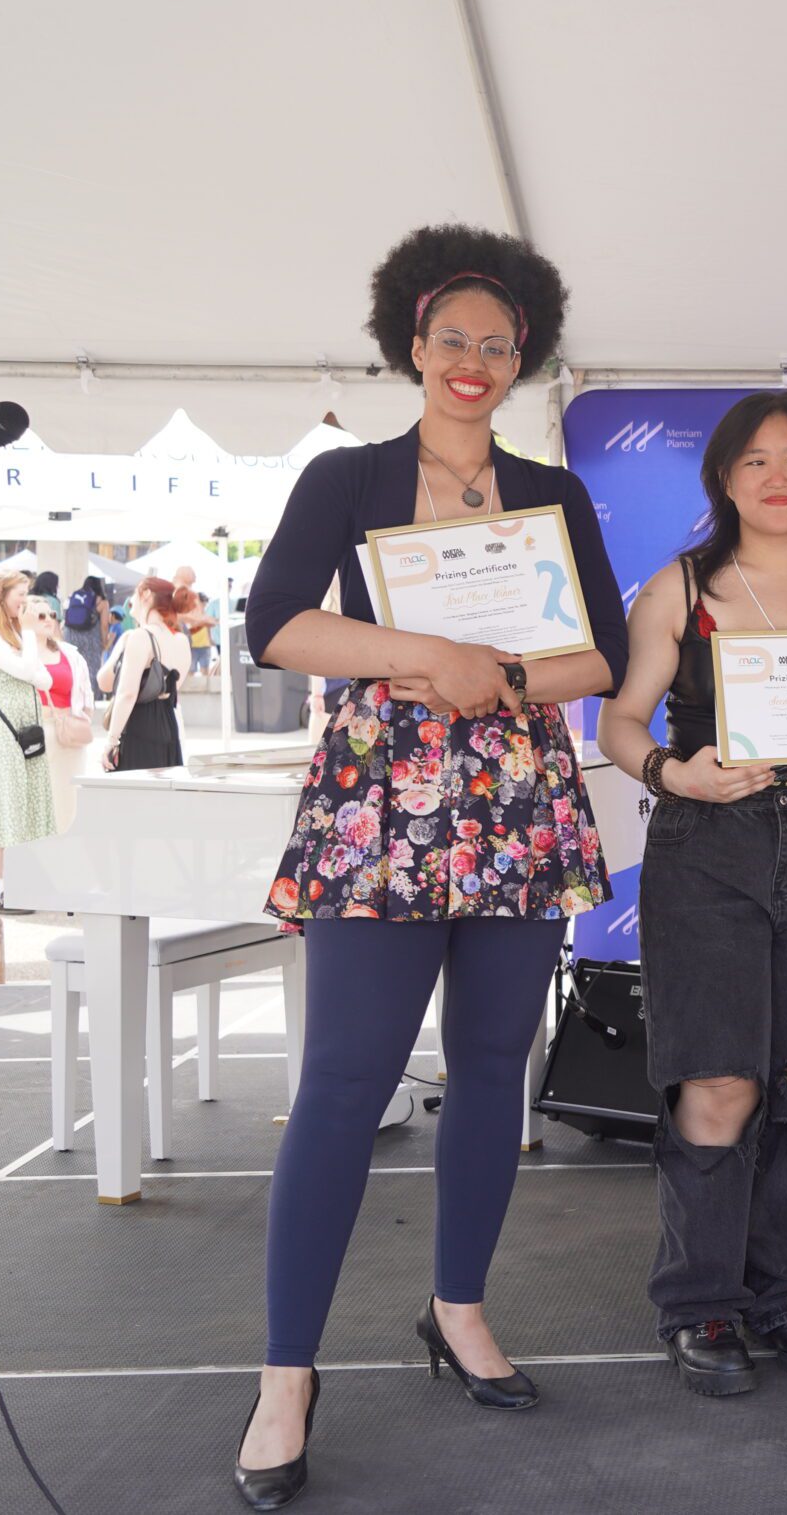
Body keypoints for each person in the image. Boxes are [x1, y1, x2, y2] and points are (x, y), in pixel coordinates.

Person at [233, 224, 624, 1508]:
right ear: (412, 343)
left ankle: (457, 1310)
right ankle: (285, 1375)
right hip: (381, 803)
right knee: (343, 1080)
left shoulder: (552, 496)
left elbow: (601, 656)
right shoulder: (346, 481)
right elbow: (277, 623)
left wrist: (495, 675)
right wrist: (419, 656)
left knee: (495, 1066)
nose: (471, 360)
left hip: (514, 799)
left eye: (495, 345)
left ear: (522, 362)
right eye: (450, 337)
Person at [598, 391, 787, 1398]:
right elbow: (622, 721)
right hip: (706, 844)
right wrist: (670, 774)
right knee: (718, 1081)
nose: (777, 477)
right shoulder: (679, 590)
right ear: (723, 478)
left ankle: (783, 1299)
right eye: (755, 461)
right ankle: (700, 1306)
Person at [0, 569, 60, 865]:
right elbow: (26, 671)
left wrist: (26, 639)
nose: (25, 603)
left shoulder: (14, 633)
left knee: (22, 805)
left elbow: (44, 680)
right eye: (20, 594)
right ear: (0, 595)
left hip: (23, 730)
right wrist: (30, 636)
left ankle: (19, 880)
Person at [25, 594, 98, 833]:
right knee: (35, 801)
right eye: (41, 615)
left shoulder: (70, 654)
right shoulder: (16, 654)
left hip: (67, 734)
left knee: (68, 802)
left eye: (52, 615)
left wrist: (81, 719)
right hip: (33, 732)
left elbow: (87, 695)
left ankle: (64, 854)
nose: (48, 620)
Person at [101, 579, 188, 775]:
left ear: (146, 594)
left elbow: (126, 693)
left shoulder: (140, 637)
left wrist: (111, 740)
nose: (131, 599)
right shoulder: (181, 640)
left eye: (134, 593)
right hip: (169, 725)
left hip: (139, 725)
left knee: (135, 798)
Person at [61, 574, 113, 680]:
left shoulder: (73, 596)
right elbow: (104, 625)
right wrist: (104, 642)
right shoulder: (102, 601)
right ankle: (92, 695)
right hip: (91, 638)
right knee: (91, 671)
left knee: (74, 668)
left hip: (71, 636)